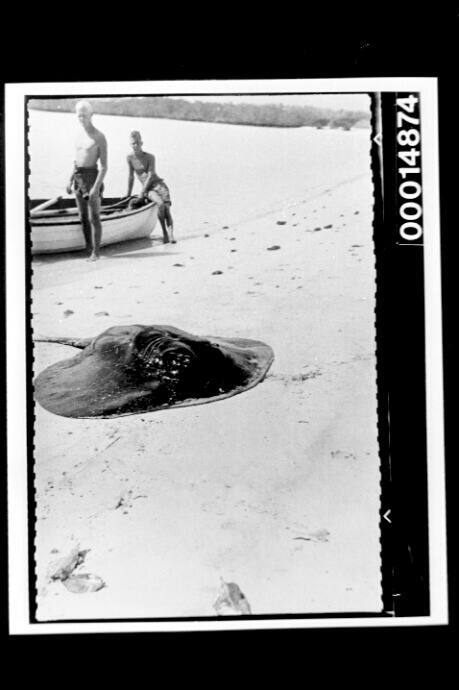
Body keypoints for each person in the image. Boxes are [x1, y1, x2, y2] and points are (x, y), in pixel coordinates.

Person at [66, 100, 107, 261]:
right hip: (78, 178)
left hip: (92, 178)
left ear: (92, 115)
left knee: (94, 217)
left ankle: (96, 252)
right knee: (83, 217)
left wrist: (96, 188)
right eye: (79, 116)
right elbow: (77, 161)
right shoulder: (78, 135)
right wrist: (70, 180)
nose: (81, 119)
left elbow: (104, 166)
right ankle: (88, 248)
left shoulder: (99, 137)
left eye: (84, 115)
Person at [126, 131, 175, 243]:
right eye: (133, 143)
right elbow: (130, 176)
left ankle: (171, 235)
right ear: (130, 144)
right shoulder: (129, 158)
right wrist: (128, 194)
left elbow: (151, 175)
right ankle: (164, 233)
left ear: (142, 143)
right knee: (161, 204)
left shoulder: (150, 157)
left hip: (159, 185)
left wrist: (141, 192)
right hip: (149, 189)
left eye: (138, 143)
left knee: (167, 209)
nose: (136, 145)